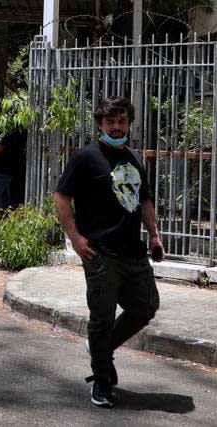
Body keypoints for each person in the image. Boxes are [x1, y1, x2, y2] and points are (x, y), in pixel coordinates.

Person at [53, 96, 164, 408]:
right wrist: (74, 237)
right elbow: (62, 196)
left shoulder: (135, 158)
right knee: (101, 318)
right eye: (110, 122)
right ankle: (102, 379)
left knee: (145, 307)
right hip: (99, 253)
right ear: (100, 124)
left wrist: (154, 235)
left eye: (122, 122)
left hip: (134, 252)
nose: (117, 128)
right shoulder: (85, 158)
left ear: (129, 124)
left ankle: (100, 348)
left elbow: (144, 200)